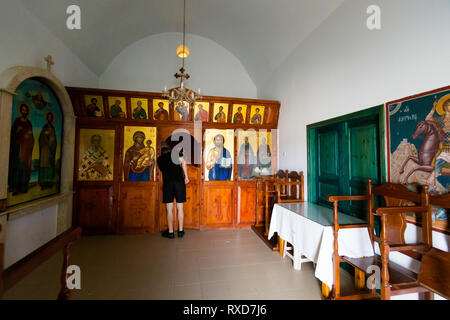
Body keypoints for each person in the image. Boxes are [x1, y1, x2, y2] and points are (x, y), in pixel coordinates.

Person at [157, 144, 189, 239]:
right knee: (180, 207)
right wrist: (186, 176)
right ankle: (180, 231)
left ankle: (170, 233)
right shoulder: (176, 154)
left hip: (168, 184)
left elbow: (163, 170)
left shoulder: (160, 159)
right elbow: (183, 162)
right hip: (179, 183)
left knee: (169, 209)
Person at [9, 102, 35, 194]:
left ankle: (23, 187)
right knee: (16, 168)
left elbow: (31, 137)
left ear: (27, 111)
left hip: (26, 151)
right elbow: (11, 135)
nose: (24, 111)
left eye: (25, 110)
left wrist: (28, 137)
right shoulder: (17, 121)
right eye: (22, 110)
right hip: (17, 149)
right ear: (20, 111)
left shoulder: (29, 123)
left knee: (24, 169)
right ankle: (15, 187)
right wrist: (17, 131)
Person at [38, 111, 57, 189]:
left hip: (51, 151)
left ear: (52, 119)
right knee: (43, 167)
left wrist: (52, 142)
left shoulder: (53, 128)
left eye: (50, 117)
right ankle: (43, 184)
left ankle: (49, 183)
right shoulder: (44, 127)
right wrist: (45, 138)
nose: (49, 118)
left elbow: (55, 140)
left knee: (50, 167)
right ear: (47, 118)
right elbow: (40, 138)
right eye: (48, 117)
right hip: (44, 151)